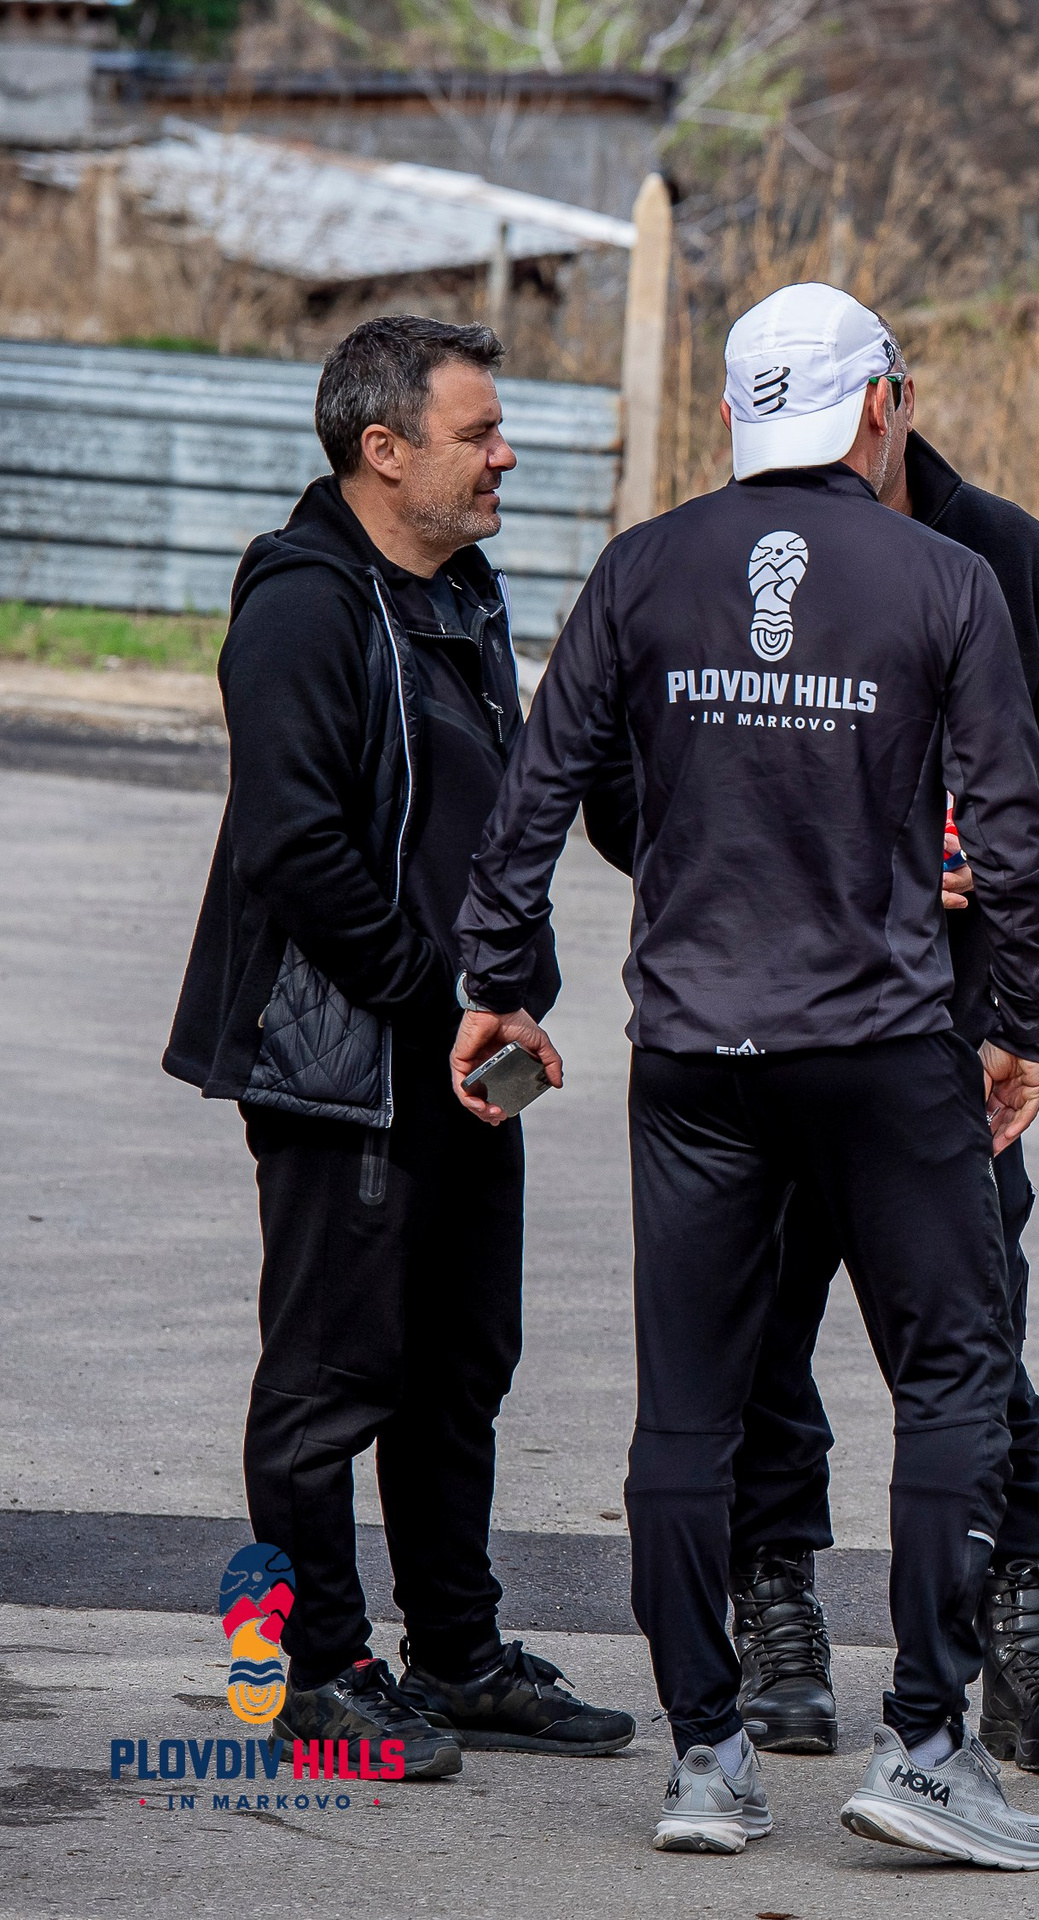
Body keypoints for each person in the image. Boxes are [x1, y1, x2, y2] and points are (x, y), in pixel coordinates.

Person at [450, 283, 1039, 1871]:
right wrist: (1020, 1026)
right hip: (884, 1053)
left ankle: (709, 1759)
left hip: (696, 1059)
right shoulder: (945, 578)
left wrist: (502, 988)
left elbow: (535, 798)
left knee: (690, 1408)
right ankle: (926, 1743)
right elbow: (1013, 837)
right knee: (952, 1376)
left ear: (733, 415)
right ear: (879, 406)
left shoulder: (643, 567)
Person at [583, 333, 1039, 1773]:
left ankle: (1019, 1624)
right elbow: (615, 775)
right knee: (756, 1338)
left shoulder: (997, 551)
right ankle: (776, 1609)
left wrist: (1003, 849)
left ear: (892, 406)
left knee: (973, 1343)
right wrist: (727, 852)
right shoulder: (697, 562)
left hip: (933, 1027)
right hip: (741, 1016)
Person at [163, 315, 635, 1774]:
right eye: (478, 433)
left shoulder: (462, 592)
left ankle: (459, 1655)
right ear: (383, 450)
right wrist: (443, 1002)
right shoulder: (306, 607)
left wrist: (502, 994)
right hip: (343, 1061)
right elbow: (295, 848)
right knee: (330, 1383)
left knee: (458, 1367)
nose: (507, 456)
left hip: (458, 1053)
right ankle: (313, 1672)